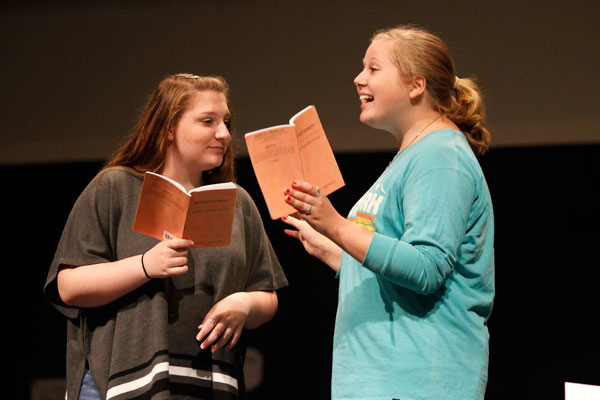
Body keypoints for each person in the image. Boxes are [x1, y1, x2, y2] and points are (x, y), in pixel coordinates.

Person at [44, 73, 288, 400]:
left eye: (226, 122)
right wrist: (145, 265)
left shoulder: (236, 201)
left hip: (208, 382)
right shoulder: (115, 188)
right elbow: (68, 286)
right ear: (169, 128)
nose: (223, 134)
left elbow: (266, 294)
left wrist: (243, 304)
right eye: (207, 121)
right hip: (119, 384)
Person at [282, 25, 494, 399]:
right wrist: (331, 246)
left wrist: (336, 225)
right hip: (383, 381)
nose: (358, 78)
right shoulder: (412, 155)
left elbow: (427, 268)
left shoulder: (440, 156)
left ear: (416, 85)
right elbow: (396, 270)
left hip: (417, 381)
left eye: (373, 69)